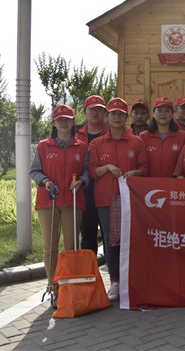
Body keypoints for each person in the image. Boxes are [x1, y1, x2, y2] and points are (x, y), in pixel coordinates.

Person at [29, 105, 89, 308]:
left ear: (73, 122)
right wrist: (45, 181)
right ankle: (54, 288)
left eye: (67, 119)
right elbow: (34, 171)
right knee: (50, 247)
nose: (64, 123)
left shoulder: (82, 146)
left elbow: (87, 171)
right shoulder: (43, 146)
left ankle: (69, 288)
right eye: (59, 119)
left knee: (71, 246)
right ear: (53, 123)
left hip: (73, 200)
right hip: (49, 200)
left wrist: (81, 181)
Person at [88, 97, 148, 302]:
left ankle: (132, 280)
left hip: (130, 198)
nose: (116, 118)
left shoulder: (136, 142)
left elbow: (145, 168)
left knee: (132, 239)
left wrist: (135, 172)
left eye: (121, 114)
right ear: (107, 116)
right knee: (111, 241)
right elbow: (93, 171)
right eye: (113, 114)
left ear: (126, 117)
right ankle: (115, 281)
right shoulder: (97, 143)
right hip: (105, 199)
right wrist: (107, 168)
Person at [76, 95, 109, 254]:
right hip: (84, 189)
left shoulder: (112, 131)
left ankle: (111, 269)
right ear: (85, 112)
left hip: (107, 188)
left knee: (109, 233)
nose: (95, 113)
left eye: (99, 109)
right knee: (88, 233)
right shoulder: (76, 133)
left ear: (105, 113)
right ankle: (89, 267)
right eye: (91, 109)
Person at [139, 96, 185, 177]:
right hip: (149, 184)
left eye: (167, 111)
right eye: (159, 110)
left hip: (174, 183)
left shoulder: (183, 136)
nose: (163, 114)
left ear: (172, 114)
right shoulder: (143, 137)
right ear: (153, 113)